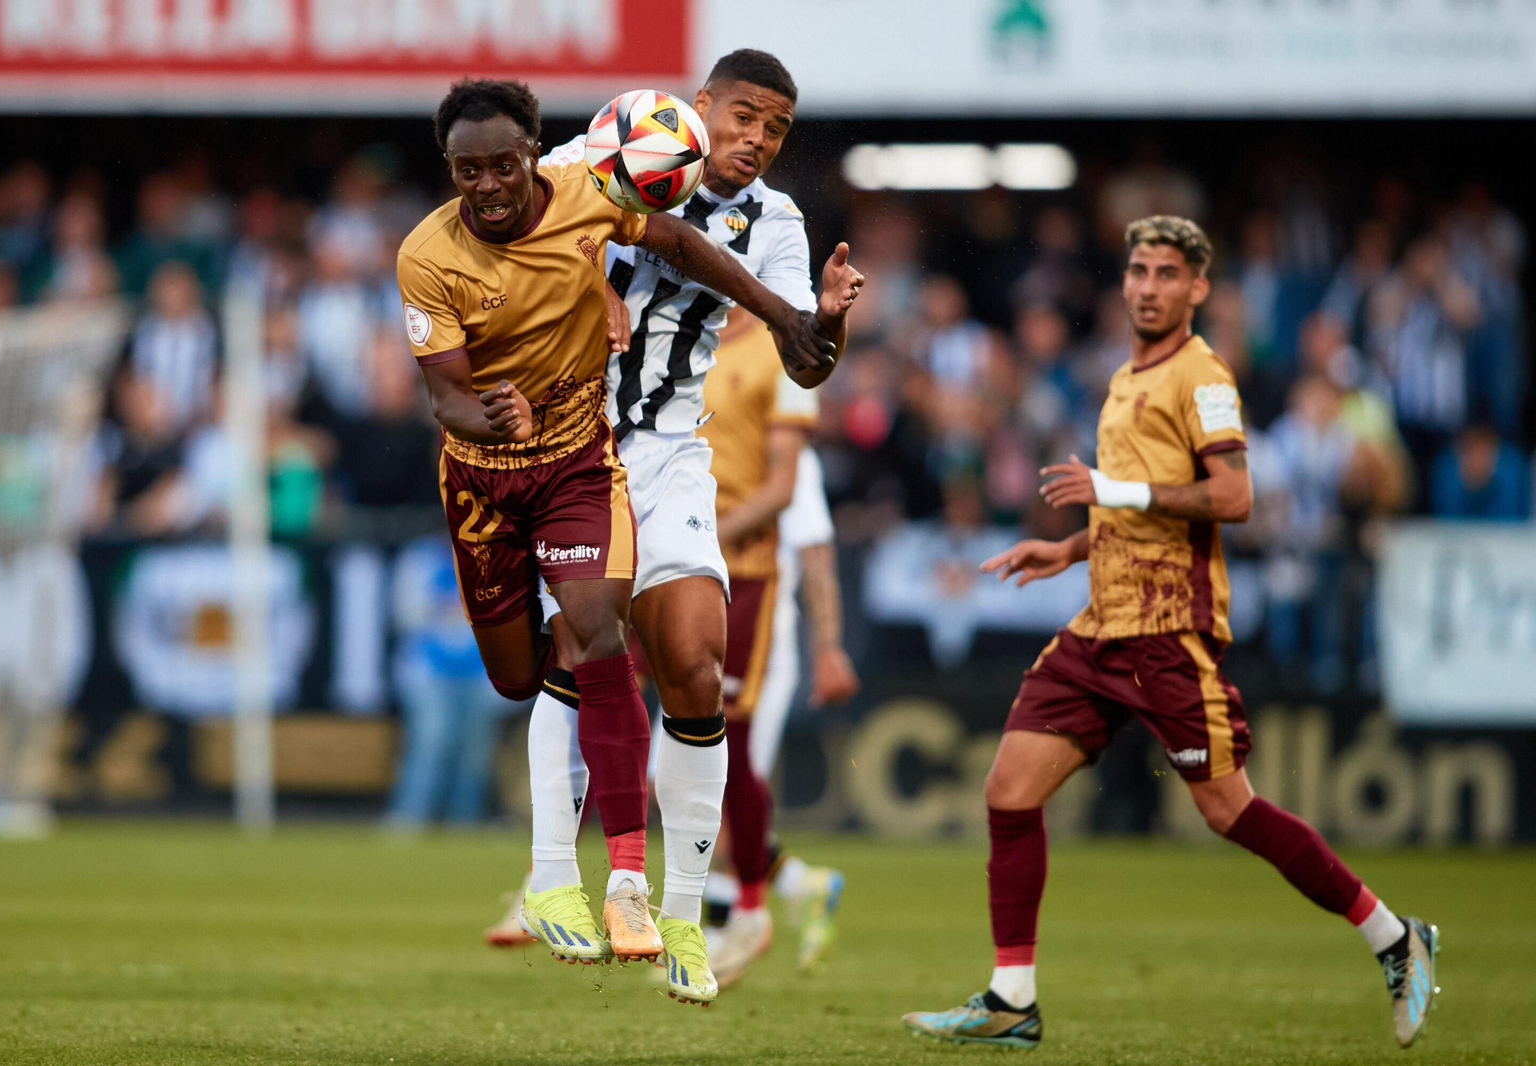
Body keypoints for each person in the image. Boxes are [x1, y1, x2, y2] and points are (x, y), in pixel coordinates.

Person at [901, 217, 1438, 1051]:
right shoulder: (1123, 379)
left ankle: (1396, 937)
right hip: (1100, 623)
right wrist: (1073, 545)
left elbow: (1233, 497)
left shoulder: (1204, 377)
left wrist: (1111, 491)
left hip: (1166, 629)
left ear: (1198, 289)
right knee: (1008, 790)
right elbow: (1136, 504)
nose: (1148, 285)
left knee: (1230, 812)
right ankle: (1012, 1000)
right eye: (1138, 270)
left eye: (1167, 273)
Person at [396, 79, 840, 978]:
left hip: (669, 446)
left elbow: (807, 354)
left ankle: (676, 914)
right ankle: (552, 874)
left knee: (695, 672)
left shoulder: (780, 224)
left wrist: (814, 321)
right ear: (701, 107)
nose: (755, 139)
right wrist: (590, 288)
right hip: (567, 437)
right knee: (563, 658)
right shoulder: (597, 151)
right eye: (743, 117)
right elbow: (532, 232)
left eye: (776, 129)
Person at [705, 440, 858, 980]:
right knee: (675, 780)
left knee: (724, 778)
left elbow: (815, 552)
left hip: (763, 647)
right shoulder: (699, 431)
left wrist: (829, 645)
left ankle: (722, 933)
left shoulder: (792, 457)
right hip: (704, 642)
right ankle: (799, 885)